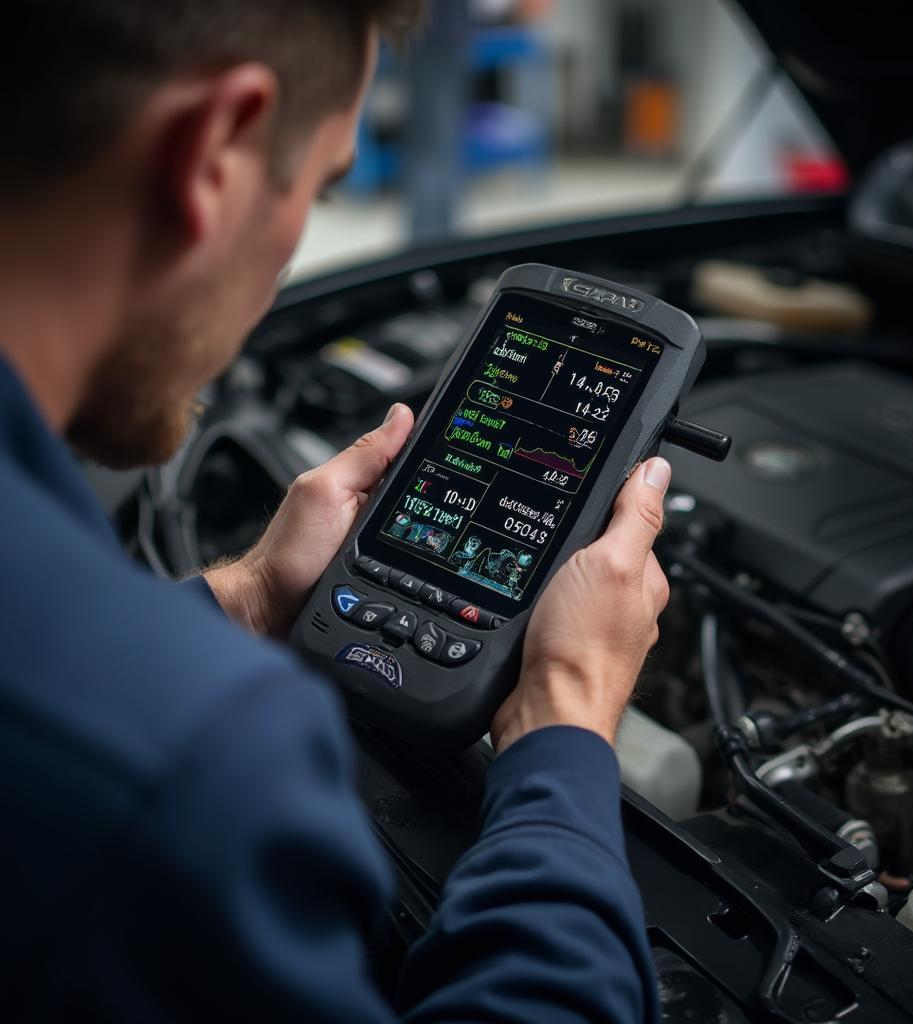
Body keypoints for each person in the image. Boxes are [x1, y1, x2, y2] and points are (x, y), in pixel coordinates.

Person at [0, 3, 673, 1020]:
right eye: (318, 184)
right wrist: (566, 718)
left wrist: (253, 593)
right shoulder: (194, 760)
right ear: (214, 150)